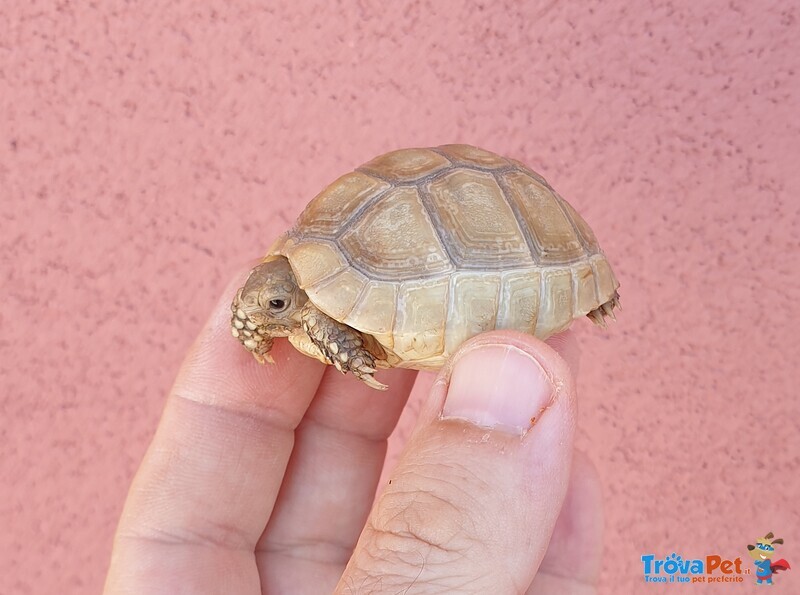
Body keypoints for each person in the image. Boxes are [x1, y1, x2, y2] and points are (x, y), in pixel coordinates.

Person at [103, 267, 603, 594]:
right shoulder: (304, 307)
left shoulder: (324, 312)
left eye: (276, 306)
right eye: (268, 305)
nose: (264, 316)